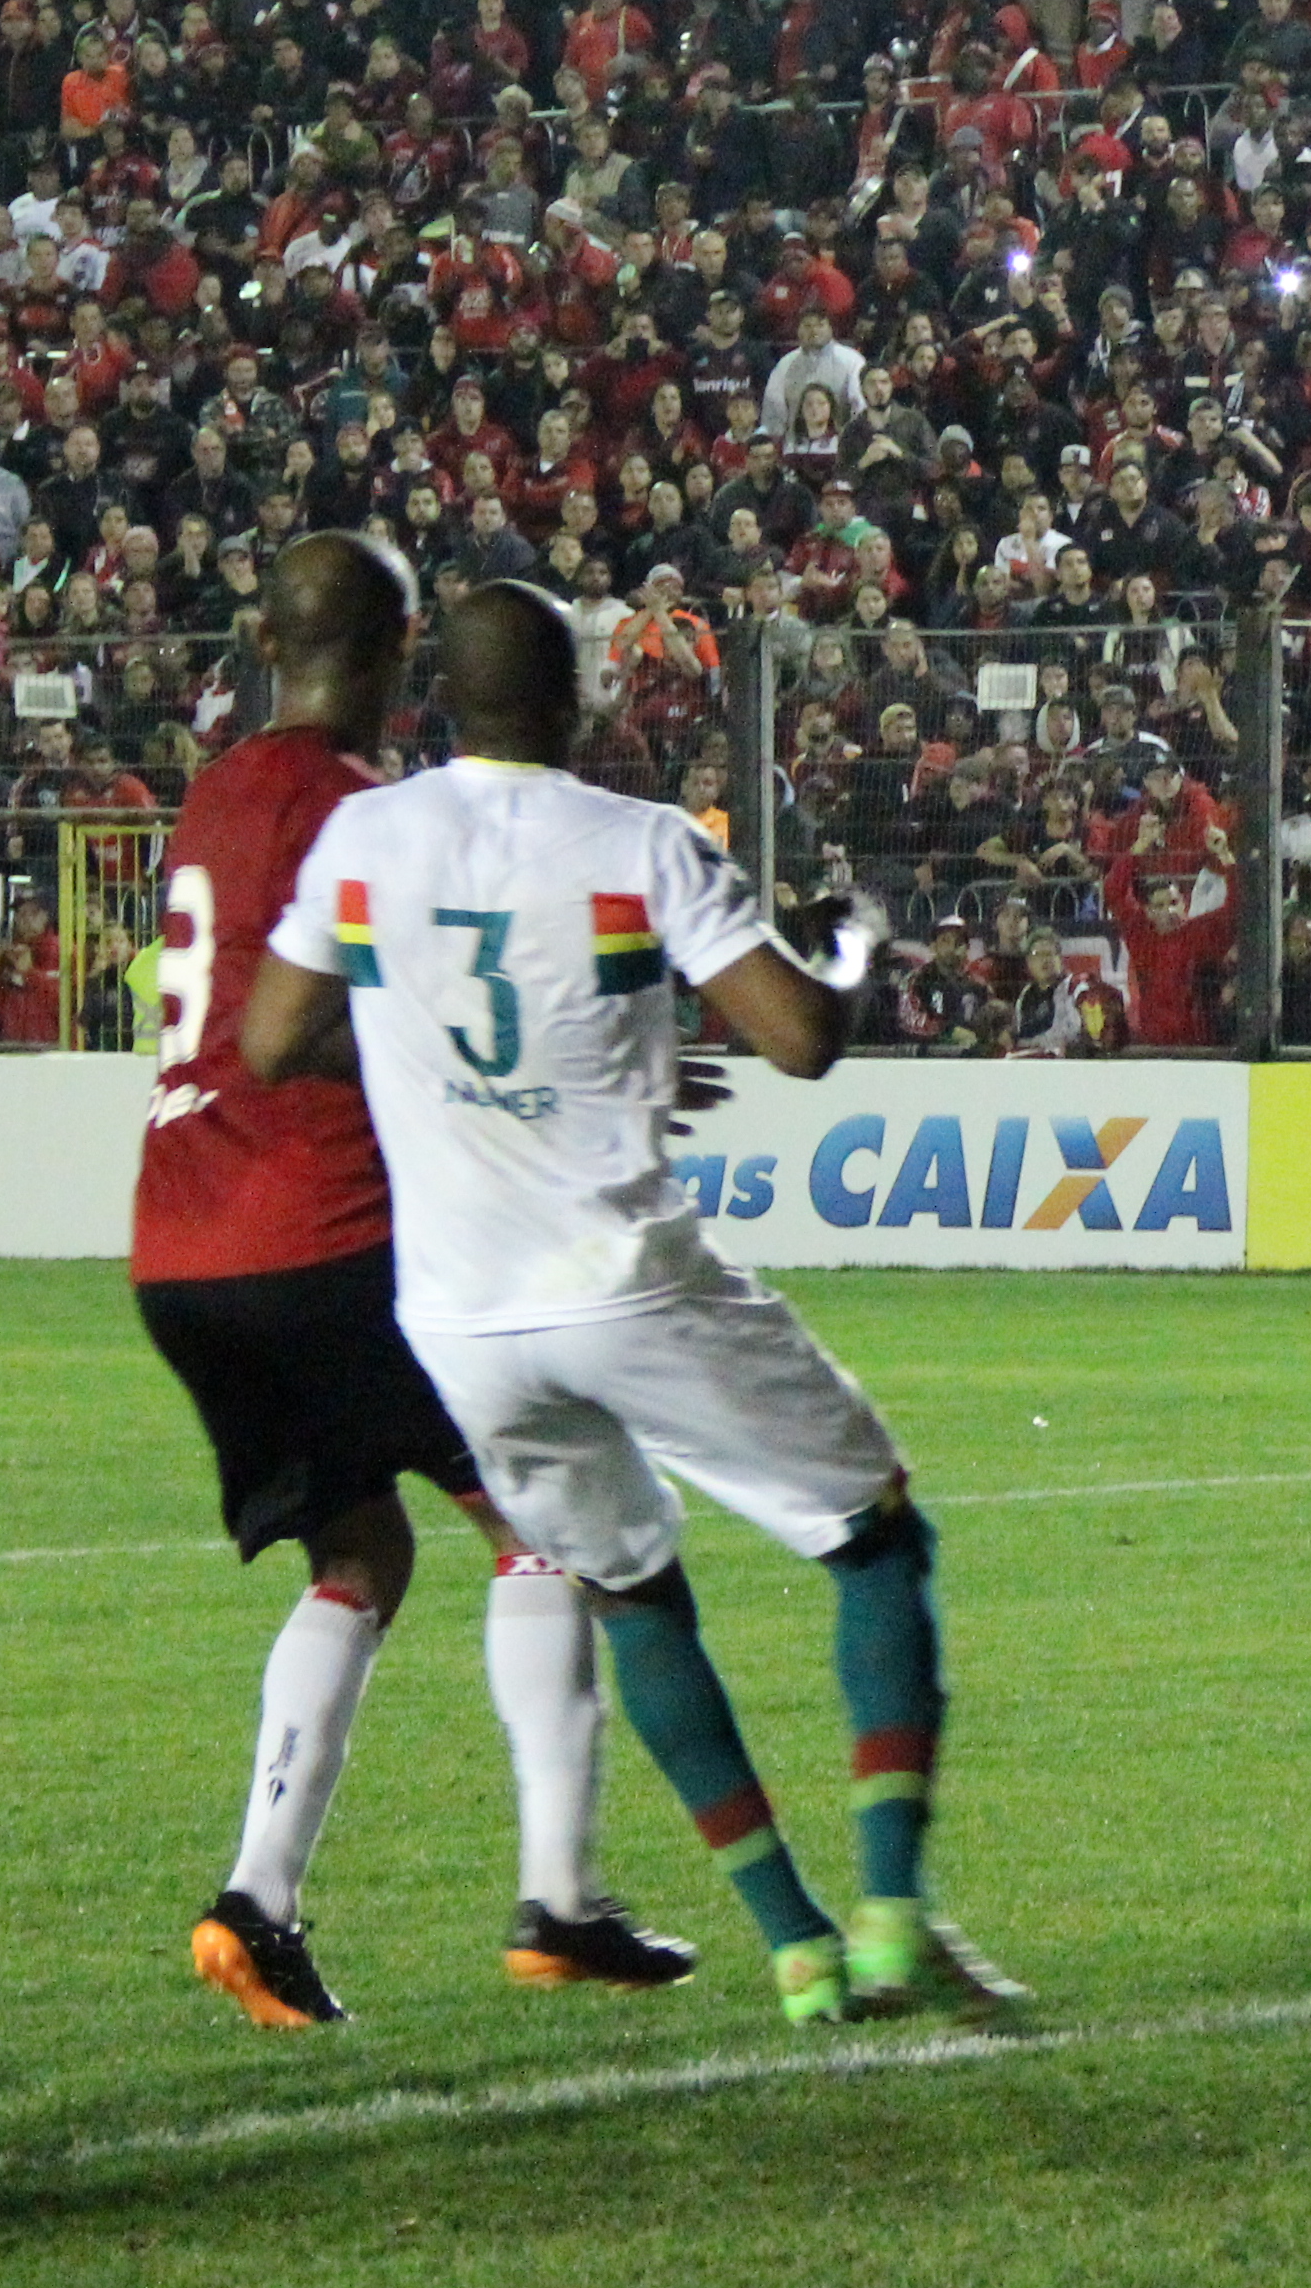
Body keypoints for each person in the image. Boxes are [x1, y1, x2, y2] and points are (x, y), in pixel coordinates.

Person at [244, 581, 1015, 2032]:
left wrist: (433, 1049)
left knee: (632, 1594)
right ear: (582, 698)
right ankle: (897, 1912)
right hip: (625, 1283)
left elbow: (273, 1036)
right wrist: (845, 945)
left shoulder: (366, 838)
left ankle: (794, 1946)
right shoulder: (640, 845)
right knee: (876, 1540)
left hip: (463, 1325)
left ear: (442, 702)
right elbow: (800, 1042)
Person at [137, 532, 679, 2028]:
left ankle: (259, 1898)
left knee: (363, 1554)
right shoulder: (363, 815)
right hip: (319, 1235)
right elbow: (348, 1021)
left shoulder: (216, 791)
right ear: (390, 664)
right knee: (551, 1519)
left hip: (179, 1249)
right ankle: (560, 1900)